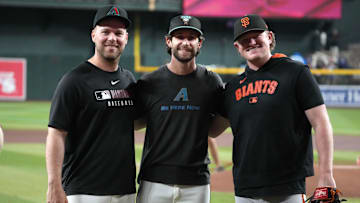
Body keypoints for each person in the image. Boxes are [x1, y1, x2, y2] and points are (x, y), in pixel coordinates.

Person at [210, 14, 337, 203]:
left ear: (269, 37)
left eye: (256, 36)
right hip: (244, 189)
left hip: (287, 188)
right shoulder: (232, 88)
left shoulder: (296, 73)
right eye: (245, 39)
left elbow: (321, 123)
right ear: (237, 47)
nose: (251, 42)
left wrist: (326, 175)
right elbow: (212, 130)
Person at [46, 5, 137, 203]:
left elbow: (135, 121)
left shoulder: (129, 80)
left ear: (126, 38)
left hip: (125, 190)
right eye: (105, 32)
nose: (112, 38)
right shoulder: (74, 81)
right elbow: (56, 133)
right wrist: (54, 184)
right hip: (84, 191)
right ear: (94, 35)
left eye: (118, 33)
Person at [135, 15, 224, 203]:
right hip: (154, 180)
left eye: (191, 38)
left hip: (196, 183)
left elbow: (215, 129)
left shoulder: (211, 82)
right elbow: (136, 123)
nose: (185, 42)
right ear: (169, 41)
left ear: (200, 43)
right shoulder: (149, 82)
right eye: (180, 37)